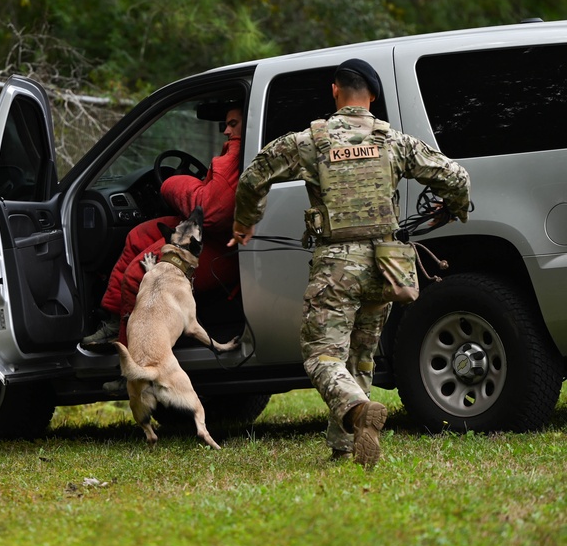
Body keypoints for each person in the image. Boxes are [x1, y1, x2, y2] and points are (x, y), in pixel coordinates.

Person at [228, 59, 470, 469]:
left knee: (321, 354)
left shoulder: (311, 141)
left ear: (335, 90)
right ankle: (345, 443)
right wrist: (455, 208)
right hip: (385, 266)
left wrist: (244, 220)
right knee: (361, 354)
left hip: (336, 266)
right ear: (372, 97)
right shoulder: (393, 141)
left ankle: (357, 408)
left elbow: (254, 177)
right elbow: (457, 178)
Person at [81, 100, 244, 347]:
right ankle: (116, 323)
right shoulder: (232, 151)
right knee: (138, 236)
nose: (225, 131)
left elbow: (210, 210)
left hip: (227, 244)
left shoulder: (237, 153)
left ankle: (131, 361)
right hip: (212, 233)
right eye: (225, 124)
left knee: (137, 274)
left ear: (249, 123)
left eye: (233, 124)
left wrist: (171, 184)